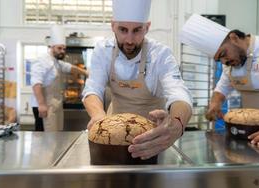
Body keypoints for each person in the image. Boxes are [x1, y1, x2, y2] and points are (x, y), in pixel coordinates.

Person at [82, 0, 192, 160]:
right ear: (113, 26)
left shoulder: (161, 55)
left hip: (152, 140)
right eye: (123, 30)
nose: (130, 40)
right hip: (113, 136)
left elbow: (179, 94)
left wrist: (176, 125)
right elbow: (93, 89)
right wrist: (98, 116)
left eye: (137, 30)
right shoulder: (103, 50)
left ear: (147, 27)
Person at [180, 14, 259, 146]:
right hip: (251, 131)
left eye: (223, 54)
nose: (225, 62)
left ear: (234, 38)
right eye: (219, 60)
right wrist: (215, 104)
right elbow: (221, 88)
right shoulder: (230, 65)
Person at [31, 25, 88, 131]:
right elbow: (36, 84)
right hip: (44, 105)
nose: (62, 51)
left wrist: (86, 72)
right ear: (51, 47)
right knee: (45, 138)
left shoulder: (56, 61)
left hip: (54, 106)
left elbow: (70, 67)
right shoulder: (42, 60)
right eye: (59, 48)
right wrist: (41, 104)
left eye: (64, 48)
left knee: (55, 136)